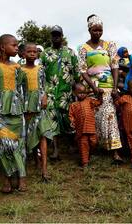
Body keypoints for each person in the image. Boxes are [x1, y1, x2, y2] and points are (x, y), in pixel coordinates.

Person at [0, 34, 27, 193]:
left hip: (17, 112)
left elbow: (22, 87)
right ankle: (8, 178)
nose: (17, 48)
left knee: (19, 146)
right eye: (14, 45)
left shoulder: (17, 67)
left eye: (17, 46)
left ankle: (22, 177)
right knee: (4, 147)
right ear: (2, 47)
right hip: (1, 112)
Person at [78, 14, 123, 163]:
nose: (97, 33)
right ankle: (94, 148)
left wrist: (115, 87)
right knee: (93, 119)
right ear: (89, 30)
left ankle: (115, 152)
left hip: (108, 87)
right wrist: (93, 87)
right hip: (91, 89)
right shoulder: (83, 48)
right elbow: (83, 70)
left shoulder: (110, 45)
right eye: (95, 30)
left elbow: (115, 66)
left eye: (100, 30)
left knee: (110, 117)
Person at [40, 25, 79, 160]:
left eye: (58, 34)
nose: (56, 37)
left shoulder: (71, 52)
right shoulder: (45, 53)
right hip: (50, 92)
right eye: (53, 35)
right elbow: (41, 74)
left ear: (62, 36)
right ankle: (55, 150)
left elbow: (77, 73)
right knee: (53, 120)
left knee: (68, 120)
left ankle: (71, 144)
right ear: (51, 37)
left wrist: (77, 90)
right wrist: (42, 93)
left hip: (66, 93)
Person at [21, 43, 54, 182]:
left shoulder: (40, 69)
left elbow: (44, 84)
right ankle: (37, 161)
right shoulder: (20, 69)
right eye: (29, 51)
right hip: (27, 105)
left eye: (35, 51)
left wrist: (45, 96)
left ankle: (44, 169)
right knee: (31, 134)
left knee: (42, 135)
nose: (32, 54)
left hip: (40, 105)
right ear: (23, 54)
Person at [69, 83, 102, 168]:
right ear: (74, 93)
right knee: (83, 145)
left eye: (84, 92)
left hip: (91, 128)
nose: (82, 94)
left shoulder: (90, 101)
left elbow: (99, 103)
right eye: (80, 93)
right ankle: (84, 162)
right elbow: (71, 116)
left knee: (93, 142)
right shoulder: (73, 105)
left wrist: (100, 95)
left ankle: (89, 154)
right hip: (81, 130)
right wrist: (72, 122)